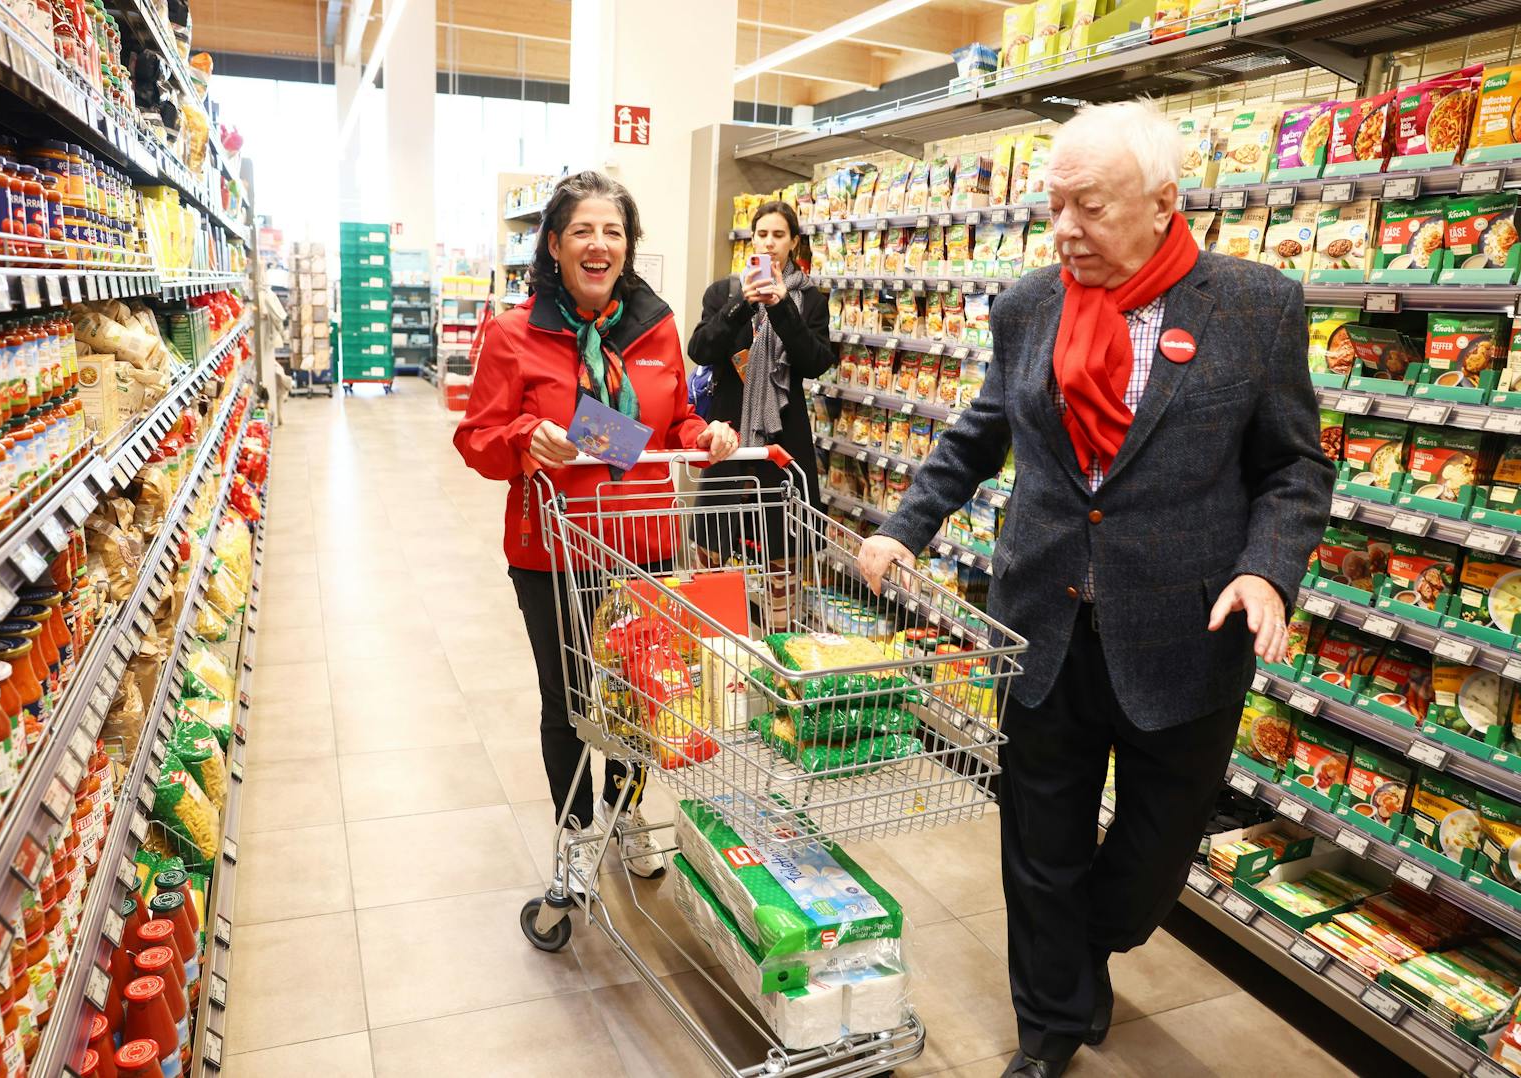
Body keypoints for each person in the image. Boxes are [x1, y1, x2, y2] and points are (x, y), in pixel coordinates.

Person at [857, 101, 1330, 1078]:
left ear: (1162, 203)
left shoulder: (1255, 306)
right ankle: (1048, 1027)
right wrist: (904, 526)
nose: (1063, 229)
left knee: (1151, 861)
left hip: (1185, 631)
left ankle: (1087, 947)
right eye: (1053, 204)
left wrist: (1263, 567)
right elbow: (978, 431)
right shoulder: (1027, 303)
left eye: (1088, 206)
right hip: (1043, 616)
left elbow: (1292, 467)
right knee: (1038, 842)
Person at [454, 171, 739, 891]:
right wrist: (524, 434)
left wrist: (702, 432)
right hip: (552, 552)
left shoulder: (656, 327)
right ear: (553, 245)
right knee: (571, 700)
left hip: (641, 545)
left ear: (628, 247)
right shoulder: (516, 334)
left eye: (612, 231)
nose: (598, 243)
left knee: (640, 693)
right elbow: (477, 437)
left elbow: (670, 419)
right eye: (582, 229)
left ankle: (628, 810)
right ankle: (578, 829)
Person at [687, 200, 835, 576]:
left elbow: (816, 363)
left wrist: (783, 308)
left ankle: (779, 634)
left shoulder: (810, 299)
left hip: (784, 442)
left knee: (782, 557)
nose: (769, 243)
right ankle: (714, 631)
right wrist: (741, 304)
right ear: (751, 239)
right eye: (762, 234)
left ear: (793, 242)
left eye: (779, 235)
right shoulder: (723, 292)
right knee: (712, 554)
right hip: (727, 438)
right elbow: (700, 349)